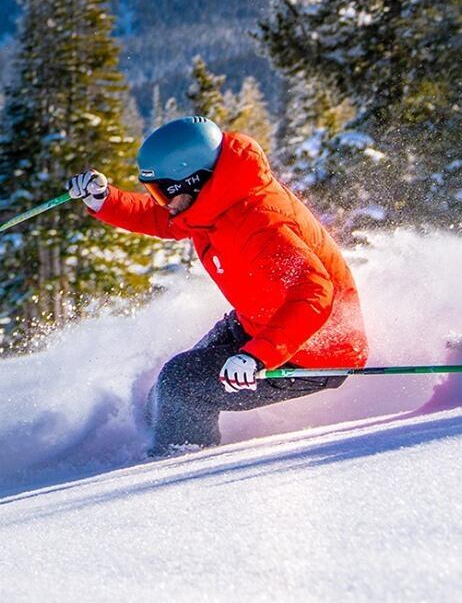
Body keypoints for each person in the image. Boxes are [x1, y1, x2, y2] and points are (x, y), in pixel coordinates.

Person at [67, 115, 367, 455]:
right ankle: (154, 435)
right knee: (170, 385)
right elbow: (163, 218)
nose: (161, 201)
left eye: (162, 191)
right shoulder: (215, 201)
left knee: (182, 386)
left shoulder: (263, 224)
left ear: (193, 181)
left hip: (312, 349)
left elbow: (314, 294)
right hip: (260, 321)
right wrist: (104, 201)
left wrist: (257, 357)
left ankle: (181, 467)